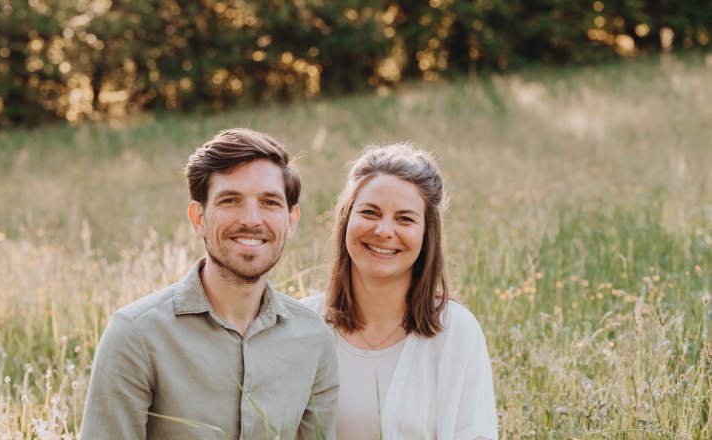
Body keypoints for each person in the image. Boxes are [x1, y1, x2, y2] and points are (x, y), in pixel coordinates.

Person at [80, 128, 338, 439]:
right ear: (198, 217)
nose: (252, 220)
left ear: (291, 220)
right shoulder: (136, 336)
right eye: (230, 200)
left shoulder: (314, 340)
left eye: (269, 202)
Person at [301, 143, 498, 440]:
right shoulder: (302, 325)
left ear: (426, 234)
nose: (383, 231)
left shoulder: (456, 332)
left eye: (405, 218)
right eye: (370, 212)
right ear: (346, 220)